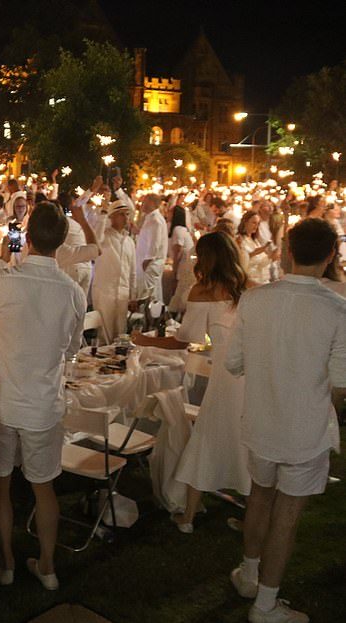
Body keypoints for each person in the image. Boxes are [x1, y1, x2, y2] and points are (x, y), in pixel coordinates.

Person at [224, 218, 346, 623]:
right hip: (303, 427)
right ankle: (264, 603)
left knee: (260, 496)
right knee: (287, 513)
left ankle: (250, 574)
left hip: (261, 419)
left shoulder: (255, 301)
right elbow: (341, 385)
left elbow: (234, 362)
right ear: (331, 256)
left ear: (288, 250)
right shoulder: (337, 309)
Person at [0, 202, 85, 591]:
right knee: (44, 486)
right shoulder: (73, 291)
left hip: (2, 400)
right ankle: (48, 567)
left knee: (0, 482)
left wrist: (4, 258)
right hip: (42, 402)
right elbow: (73, 349)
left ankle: (6, 563)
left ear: (29, 237)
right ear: (63, 241)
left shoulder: (6, 278)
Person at [133, 232, 250, 532]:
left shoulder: (203, 291)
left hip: (226, 377)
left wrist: (143, 339)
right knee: (247, 441)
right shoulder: (249, 287)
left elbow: (184, 341)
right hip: (251, 375)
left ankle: (187, 518)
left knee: (206, 442)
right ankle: (251, 513)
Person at [91, 179, 136, 343]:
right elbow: (96, 239)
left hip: (122, 295)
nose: (126, 218)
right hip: (105, 293)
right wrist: (103, 210)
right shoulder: (105, 237)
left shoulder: (129, 241)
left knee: (121, 336)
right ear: (113, 217)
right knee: (105, 336)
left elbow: (132, 271)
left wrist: (133, 295)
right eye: (122, 215)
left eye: (127, 214)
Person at [135, 193, 168, 303]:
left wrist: (146, 263)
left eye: (145, 201)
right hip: (147, 265)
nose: (142, 204)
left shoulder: (155, 220)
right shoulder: (150, 218)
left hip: (149, 265)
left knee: (149, 297)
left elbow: (154, 245)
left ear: (152, 203)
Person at [168, 205, 196, 313]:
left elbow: (178, 251)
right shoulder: (185, 230)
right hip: (187, 264)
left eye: (170, 212)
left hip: (183, 266)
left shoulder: (177, 230)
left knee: (177, 292)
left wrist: (174, 271)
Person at [237, 211, 274, 286]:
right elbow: (240, 263)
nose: (256, 226)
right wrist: (254, 253)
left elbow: (261, 263)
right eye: (254, 223)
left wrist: (271, 256)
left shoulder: (255, 241)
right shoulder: (239, 240)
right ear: (245, 222)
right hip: (249, 282)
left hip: (262, 279)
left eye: (258, 224)